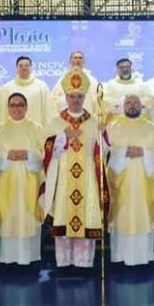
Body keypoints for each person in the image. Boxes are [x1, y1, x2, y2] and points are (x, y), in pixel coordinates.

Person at [42, 68, 105, 268]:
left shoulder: (93, 121)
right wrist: (62, 137)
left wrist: (104, 135)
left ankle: (83, 262)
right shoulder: (57, 121)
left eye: (79, 97)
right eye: (72, 97)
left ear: (84, 98)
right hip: (64, 178)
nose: (75, 100)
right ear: (66, 97)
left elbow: (104, 149)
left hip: (87, 179)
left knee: (86, 215)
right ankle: (64, 262)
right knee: (63, 214)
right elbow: (45, 148)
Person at [106, 94, 154, 266]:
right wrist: (123, 152)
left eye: (136, 103)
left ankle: (142, 256)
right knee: (122, 216)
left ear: (141, 106)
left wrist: (144, 153)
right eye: (129, 103)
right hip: (121, 183)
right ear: (123, 106)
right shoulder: (113, 126)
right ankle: (120, 256)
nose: (132, 106)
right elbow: (105, 150)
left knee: (142, 215)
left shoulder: (151, 127)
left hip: (144, 183)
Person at [0, 93, 46, 265]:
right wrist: (6, 155)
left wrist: (29, 155)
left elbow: (44, 153)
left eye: (20, 105)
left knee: (28, 217)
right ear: (8, 108)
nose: (16, 108)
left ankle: (30, 258)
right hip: (7, 182)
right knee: (10, 217)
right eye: (13, 105)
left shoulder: (36, 128)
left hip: (29, 181)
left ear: (26, 107)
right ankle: (9, 258)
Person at [3, 56, 54, 126]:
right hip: (13, 131)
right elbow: (3, 112)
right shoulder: (7, 88)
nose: (24, 68)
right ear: (16, 68)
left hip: (36, 132)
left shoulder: (42, 86)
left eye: (27, 65)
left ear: (31, 68)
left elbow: (48, 111)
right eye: (21, 65)